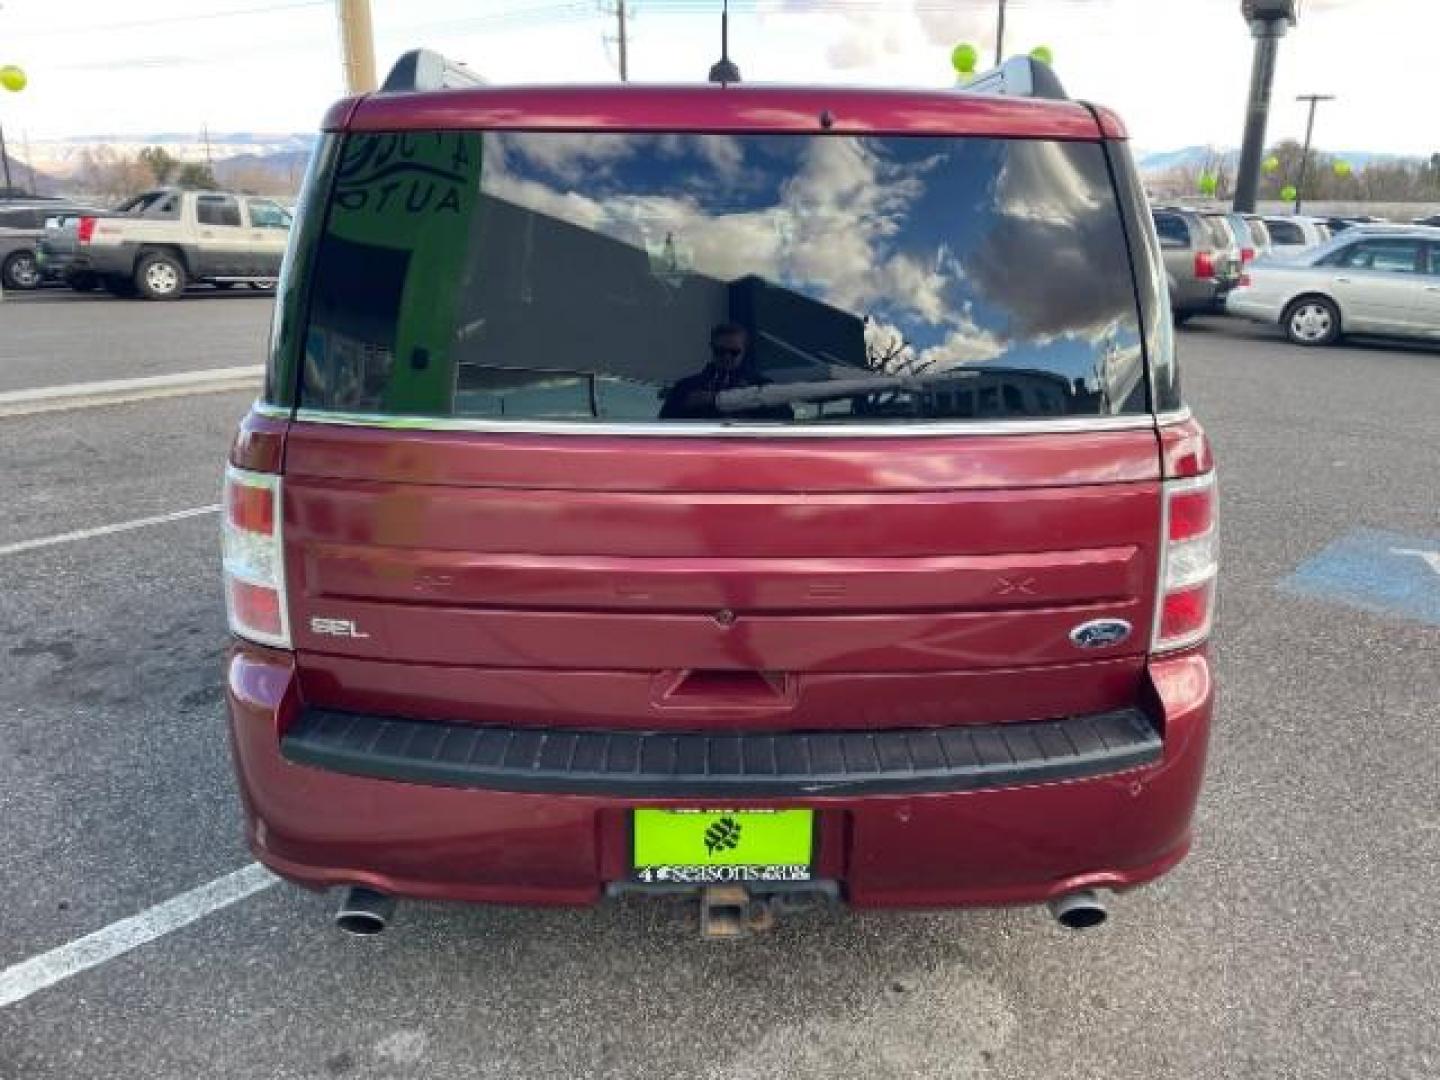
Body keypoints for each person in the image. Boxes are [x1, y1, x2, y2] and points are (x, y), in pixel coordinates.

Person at [659, 324, 791, 421]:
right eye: (720, 351)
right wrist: (686, 405)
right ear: (712, 348)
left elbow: (786, 418)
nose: (726, 357)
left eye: (734, 352)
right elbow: (665, 423)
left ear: (744, 350)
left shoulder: (762, 386)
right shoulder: (687, 387)